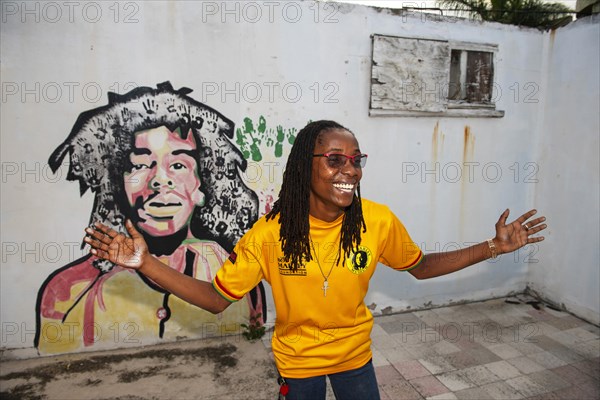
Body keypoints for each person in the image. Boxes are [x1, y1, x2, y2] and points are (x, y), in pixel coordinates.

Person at [85, 120, 547, 399]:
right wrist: (147, 262)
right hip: (297, 363)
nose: (350, 170)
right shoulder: (269, 235)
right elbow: (213, 299)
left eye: (356, 159)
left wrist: (493, 247)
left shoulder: (377, 221)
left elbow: (421, 266)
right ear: (306, 166)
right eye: (334, 160)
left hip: (355, 357)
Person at [35, 82, 265, 354]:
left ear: (203, 184)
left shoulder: (239, 278)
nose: (160, 181)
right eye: (140, 165)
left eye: (178, 165)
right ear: (117, 184)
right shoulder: (68, 294)